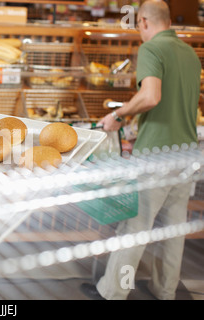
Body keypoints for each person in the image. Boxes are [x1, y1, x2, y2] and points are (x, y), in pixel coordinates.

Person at [80, 0, 201, 300]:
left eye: (138, 26)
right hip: (186, 153)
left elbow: (151, 96)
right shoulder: (190, 53)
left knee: (134, 229)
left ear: (145, 21)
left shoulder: (151, 49)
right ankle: (164, 291)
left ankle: (112, 293)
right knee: (173, 231)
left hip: (156, 155)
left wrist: (118, 116)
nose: (139, 33)